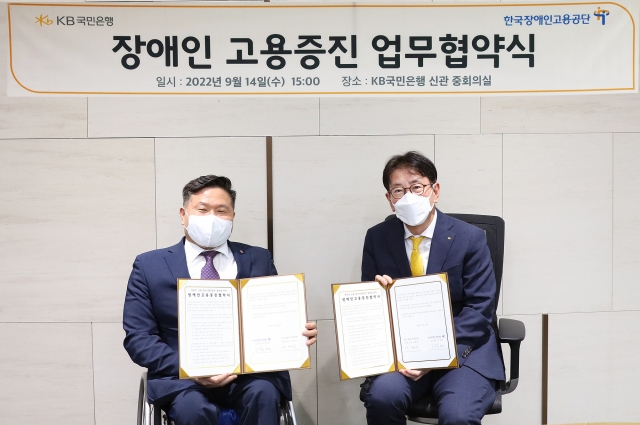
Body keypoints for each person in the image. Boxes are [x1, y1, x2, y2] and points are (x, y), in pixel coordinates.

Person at [123, 175, 318, 425]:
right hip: (181, 379)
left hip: (251, 376)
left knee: (263, 394)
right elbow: (139, 338)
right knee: (191, 409)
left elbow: (273, 317)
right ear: (184, 214)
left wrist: (296, 333)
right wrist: (190, 367)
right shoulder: (150, 265)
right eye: (202, 210)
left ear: (233, 217)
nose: (212, 218)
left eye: (221, 211)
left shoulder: (258, 259)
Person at [361, 151, 504, 425]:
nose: (408, 196)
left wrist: (434, 355)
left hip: (464, 350)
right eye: (398, 191)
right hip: (404, 355)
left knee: (458, 416)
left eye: (416, 187)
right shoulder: (377, 237)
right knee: (382, 398)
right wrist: (378, 296)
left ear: (434, 190)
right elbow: (370, 308)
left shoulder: (470, 238)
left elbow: (480, 308)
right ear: (390, 201)